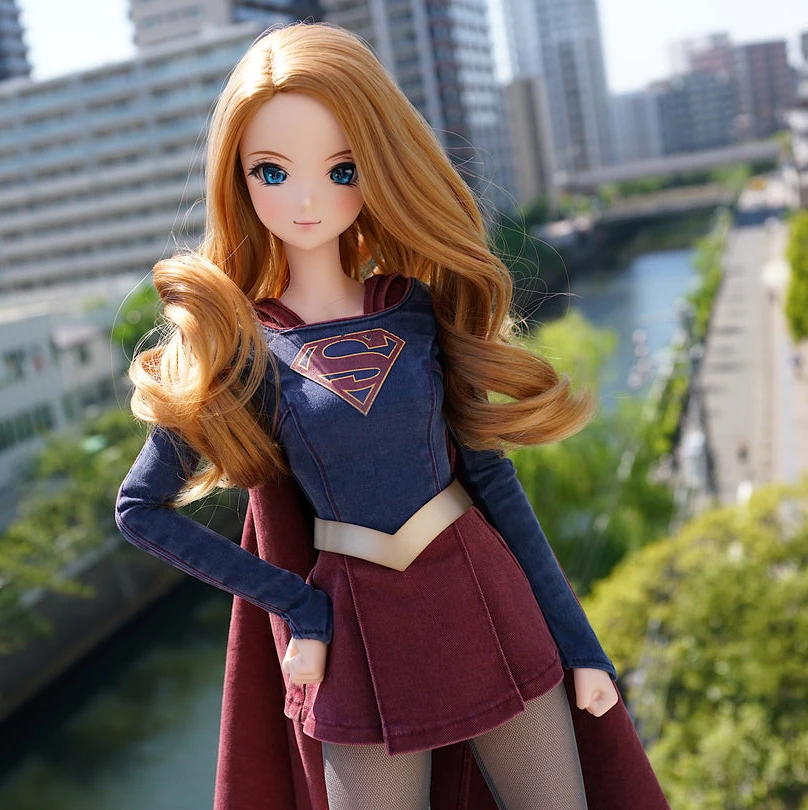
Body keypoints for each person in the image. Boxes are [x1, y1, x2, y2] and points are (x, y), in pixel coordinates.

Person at [116, 23, 663, 810]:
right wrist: (297, 605)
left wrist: (583, 648)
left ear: (377, 167)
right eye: (272, 171)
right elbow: (140, 509)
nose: (307, 199)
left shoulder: (415, 309)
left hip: (483, 598)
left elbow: (493, 483)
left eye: (340, 169)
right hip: (357, 633)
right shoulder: (240, 346)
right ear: (238, 179)